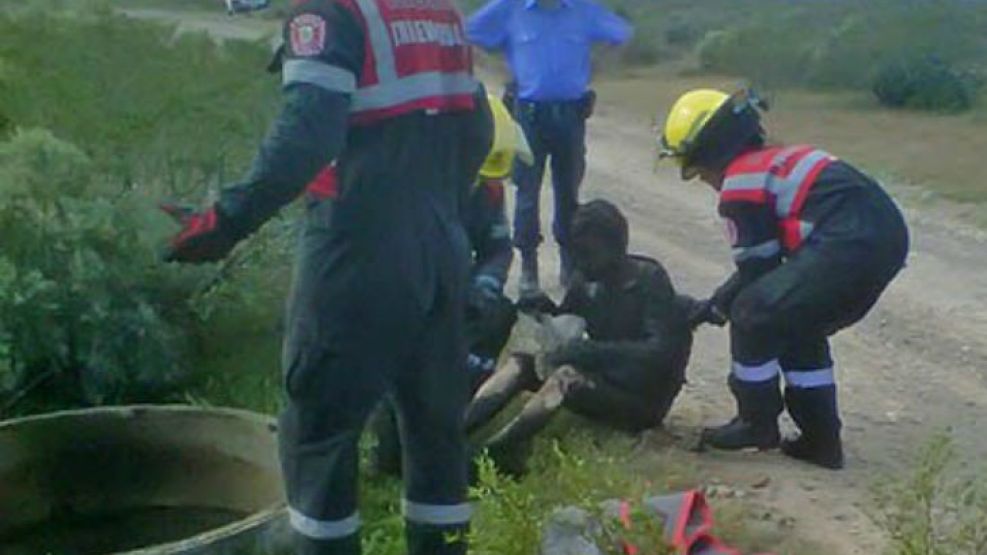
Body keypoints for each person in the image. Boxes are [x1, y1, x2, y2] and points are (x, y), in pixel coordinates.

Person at [161, 0, 493, 553]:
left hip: (358, 254)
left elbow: (306, 137)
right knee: (436, 439)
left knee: (318, 437)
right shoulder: (438, 10)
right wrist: (438, 214)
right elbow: (477, 129)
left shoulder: (330, 14)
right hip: (441, 250)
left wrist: (224, 221)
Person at [657, 89, 910, 470]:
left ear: (711, 152)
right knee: (794, 318)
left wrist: (717, 306)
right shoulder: (776, 161)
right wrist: (716, 304)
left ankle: (755, 423)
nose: (702, 179)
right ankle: (821, 441)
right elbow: (769, 272)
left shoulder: (740, 184)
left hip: (848, 241)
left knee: (752, 311)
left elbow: (757, 271)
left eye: (696, 168)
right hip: (884, 234)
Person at [465, 199, 692, 475]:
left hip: (640, 396)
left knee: (566, 377)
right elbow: (567, 325)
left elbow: (660, 353)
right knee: (522, 363)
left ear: (615, 247)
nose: (582, 261)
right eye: (577, 252)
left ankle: (497, 452)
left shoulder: (648, 280)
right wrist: (544, 310)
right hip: (602, 378)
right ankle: (460, 430)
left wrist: (593, 352)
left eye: (589, 253)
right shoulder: (584, 280)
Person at [370, 94, 529, 478]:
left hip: (456, 289)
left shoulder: (488, 185)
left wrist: (484, 287)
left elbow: (497, 246)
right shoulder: (405, 182)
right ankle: (386, 438)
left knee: (497, 314)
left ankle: (457, 412)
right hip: (398, 293)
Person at [466, 0, 632, 298]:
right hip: (529, 113)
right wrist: (503, 69)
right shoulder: (510, 8)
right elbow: (468, 35)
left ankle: (572, 266)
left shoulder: (582, 9)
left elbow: (620, 35)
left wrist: (592, 68)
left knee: (568, 193)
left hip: (571, 114)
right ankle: (529, 268)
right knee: (527, 193)